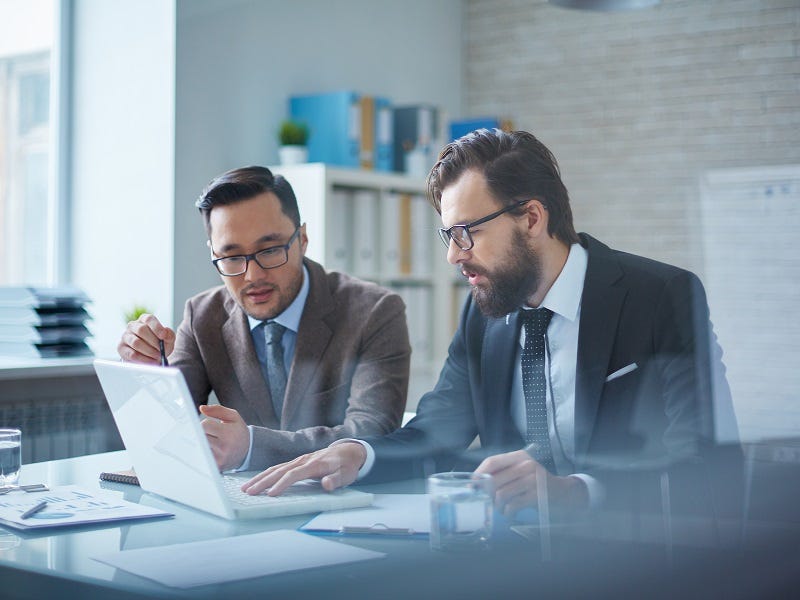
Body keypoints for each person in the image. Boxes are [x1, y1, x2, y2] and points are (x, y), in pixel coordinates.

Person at [241, 129, 742, 517]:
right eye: (448, 237)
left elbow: (706, 463)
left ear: (531, 218)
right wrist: (357, 454)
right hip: (510, 556)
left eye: (467, 234)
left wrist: (575, 493)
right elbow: (436, 431)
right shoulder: (485, 314)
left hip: (636, 559)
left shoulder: (659, 297)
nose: (454, 257)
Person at [117, 166, 411, 471]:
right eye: (231, 257)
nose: (252, 276)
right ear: (213, 253)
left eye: (270, 250)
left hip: (339, 501)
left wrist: (253, 447)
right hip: (239, 501)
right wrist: (146, 373)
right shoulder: (202, 316)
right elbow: (165, 433)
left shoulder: (375, 311)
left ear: (303, 239)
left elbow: (372, 433)